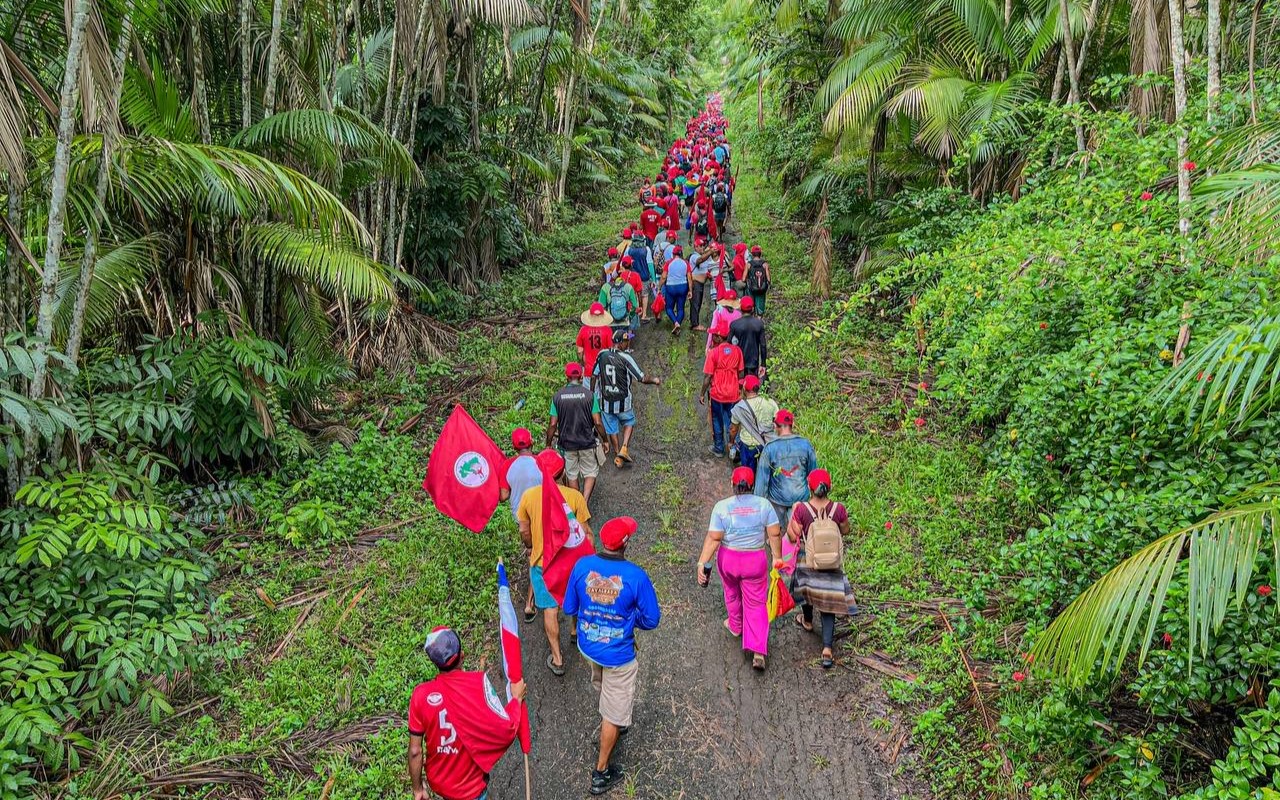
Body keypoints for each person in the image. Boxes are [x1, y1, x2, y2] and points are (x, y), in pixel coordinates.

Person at [562, 517, 661, 796]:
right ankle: (601, 771)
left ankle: (613, 716)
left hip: (588, 647)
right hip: (618, 655)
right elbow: (651, 619)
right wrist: (629, 620)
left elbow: (570, 606)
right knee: (614, 711)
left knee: (603, 685)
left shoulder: (582, 566)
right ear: (625, 544)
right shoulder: (635, 576)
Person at [408, 626, 526, 800]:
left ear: (434, 663)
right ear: (462, 656)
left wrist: (418, 789)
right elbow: (505, 730)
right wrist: (516, 700)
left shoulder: (420, 695)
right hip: (472, 788)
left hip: (441, 785)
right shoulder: (478, 684)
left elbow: (415, 751)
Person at [696, 467, 783, 671]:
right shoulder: (764, 505)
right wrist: (777, 557)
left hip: (730, 560)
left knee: (732, 593)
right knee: (756, 603)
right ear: (752, 486)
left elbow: (714, 538)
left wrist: (702, 562)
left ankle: (736, 626)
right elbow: (775, 534)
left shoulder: (722, 507)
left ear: (732, 484)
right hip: (755, 560)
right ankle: (758, 651)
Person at [518, 449, 593, 676]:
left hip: (543, 564)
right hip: (571, 562)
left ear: (541, 473)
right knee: (574, 599)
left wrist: (531, 543)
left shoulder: (528, 498)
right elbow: (585, 532)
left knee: (550, 609)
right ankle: (573, 631)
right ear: (561, 473)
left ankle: (558, 659)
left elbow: (524, 532)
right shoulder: (575, 497)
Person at [787, 469, 857, 669]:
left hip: (810, 561)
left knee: (806, 592)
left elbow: (794, 537)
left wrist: (793, 517)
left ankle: (807, 620)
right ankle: (827, 649)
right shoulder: (839, 508)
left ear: (809, 488)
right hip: (832, 564)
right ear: (829, 487)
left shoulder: (801, 509)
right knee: (829, 605)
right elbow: (846, 530)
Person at [592, 329, 661, 468]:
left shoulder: (602, 355)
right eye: (626, 341)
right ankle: (624, 447)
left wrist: (592, 393)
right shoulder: (626, 358)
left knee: (612, 428)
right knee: (629, 421)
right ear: (620, 343)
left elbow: (594, 375)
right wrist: (654, 380)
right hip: (623, 401)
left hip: (606, 401)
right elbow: (641, 377)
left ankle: (618, 453)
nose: (628, 343)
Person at [547, 362, 607, 505]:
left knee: (572, 474)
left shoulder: (557, 397)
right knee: (590, 472)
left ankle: (577, 504)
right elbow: (597, 422)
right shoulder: (590, 396)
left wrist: (548, 443)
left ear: (566, 376)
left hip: (567, 444)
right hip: (587, 441)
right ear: (580, 376)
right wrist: (605, 440)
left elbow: (553, 424)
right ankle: (584, 502)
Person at [754, 408, 819, 531]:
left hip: (777, 500)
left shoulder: (770, 448)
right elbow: (814, 473)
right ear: (792, 424)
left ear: (775, 426)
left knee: (777, 532)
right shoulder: (805, 444)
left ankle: (778, 547)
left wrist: (758, 506)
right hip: (801, 498)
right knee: (797, 533)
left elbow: (762, 481)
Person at [700, 322, 743, 457]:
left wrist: (701, 394)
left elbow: (708, 377)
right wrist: (738, 388)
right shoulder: (737, 351)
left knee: (717, 420)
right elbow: (741, 373)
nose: (712, 337)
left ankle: (719, 448)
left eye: (714, 335)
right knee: (732, 420)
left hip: (718, 394)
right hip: (733, 394)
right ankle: (734, 447)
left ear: (719, 337)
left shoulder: (713, 353)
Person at [729, 376, 778, 472]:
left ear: (744, 389)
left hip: (748, 445)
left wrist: (731, 442)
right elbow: (777, 422)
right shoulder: (770, 402)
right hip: (766, 443)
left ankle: (749, 485)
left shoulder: (739, 407)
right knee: (765, 471)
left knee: (748, 471)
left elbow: (733, 429)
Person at [729, 295, 767, 379]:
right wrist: (763, 364)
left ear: (740, 308)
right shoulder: (759, 324)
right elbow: (763, 345)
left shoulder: (734, 325)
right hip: (753, 362)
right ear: (753, 309)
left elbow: (729, 344)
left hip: (738, 363)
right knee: (752, 387)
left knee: (739, 386)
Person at [577, 303, 614, 390]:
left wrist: (582, 364)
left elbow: (579, 351)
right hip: (604, 369)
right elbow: (611, 350)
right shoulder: (607, 330)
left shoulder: (583, 330)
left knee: (590, 396)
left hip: (589, 370)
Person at [660, 244, 691, 335]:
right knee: (680, 308)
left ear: (673, 254)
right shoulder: (686, 263)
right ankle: (678, 323)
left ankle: (675, 322)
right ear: (681, 254)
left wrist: (659, 287)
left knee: (669, 308)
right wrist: (690, 290)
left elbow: (663, 277)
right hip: (683, 286)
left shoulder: (668, 263)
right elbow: (689, 277)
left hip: (671, 287)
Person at [598, 269, 639, 334]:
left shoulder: (605, 287)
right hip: (625, 319)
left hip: (611, 321)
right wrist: (630, 316)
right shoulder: (628, 286)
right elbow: (635, 305)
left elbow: (601, 307)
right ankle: (629, 335)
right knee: (634, 317)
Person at [688, 237, 712, 331]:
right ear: (695, 247)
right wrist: (709, 252)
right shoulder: (695, 256)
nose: (702, 247)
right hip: (695, 283)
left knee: (698, 303)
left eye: (703, 245)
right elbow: (700, 260)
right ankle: (695, 324)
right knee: (695, 303)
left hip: (700, 284)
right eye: (700, 246)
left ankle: (694, 322)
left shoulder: (704, 256)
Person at [744, 246, 771, 316]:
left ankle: (752, 319)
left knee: (751, 305)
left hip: (751, 289)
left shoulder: (748, 264)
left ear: (752, 254)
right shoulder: (765, 264)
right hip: (761, 289)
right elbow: (768, 279)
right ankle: (759, 320)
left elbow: (743, 278)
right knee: (760, 309)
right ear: (760, 254)